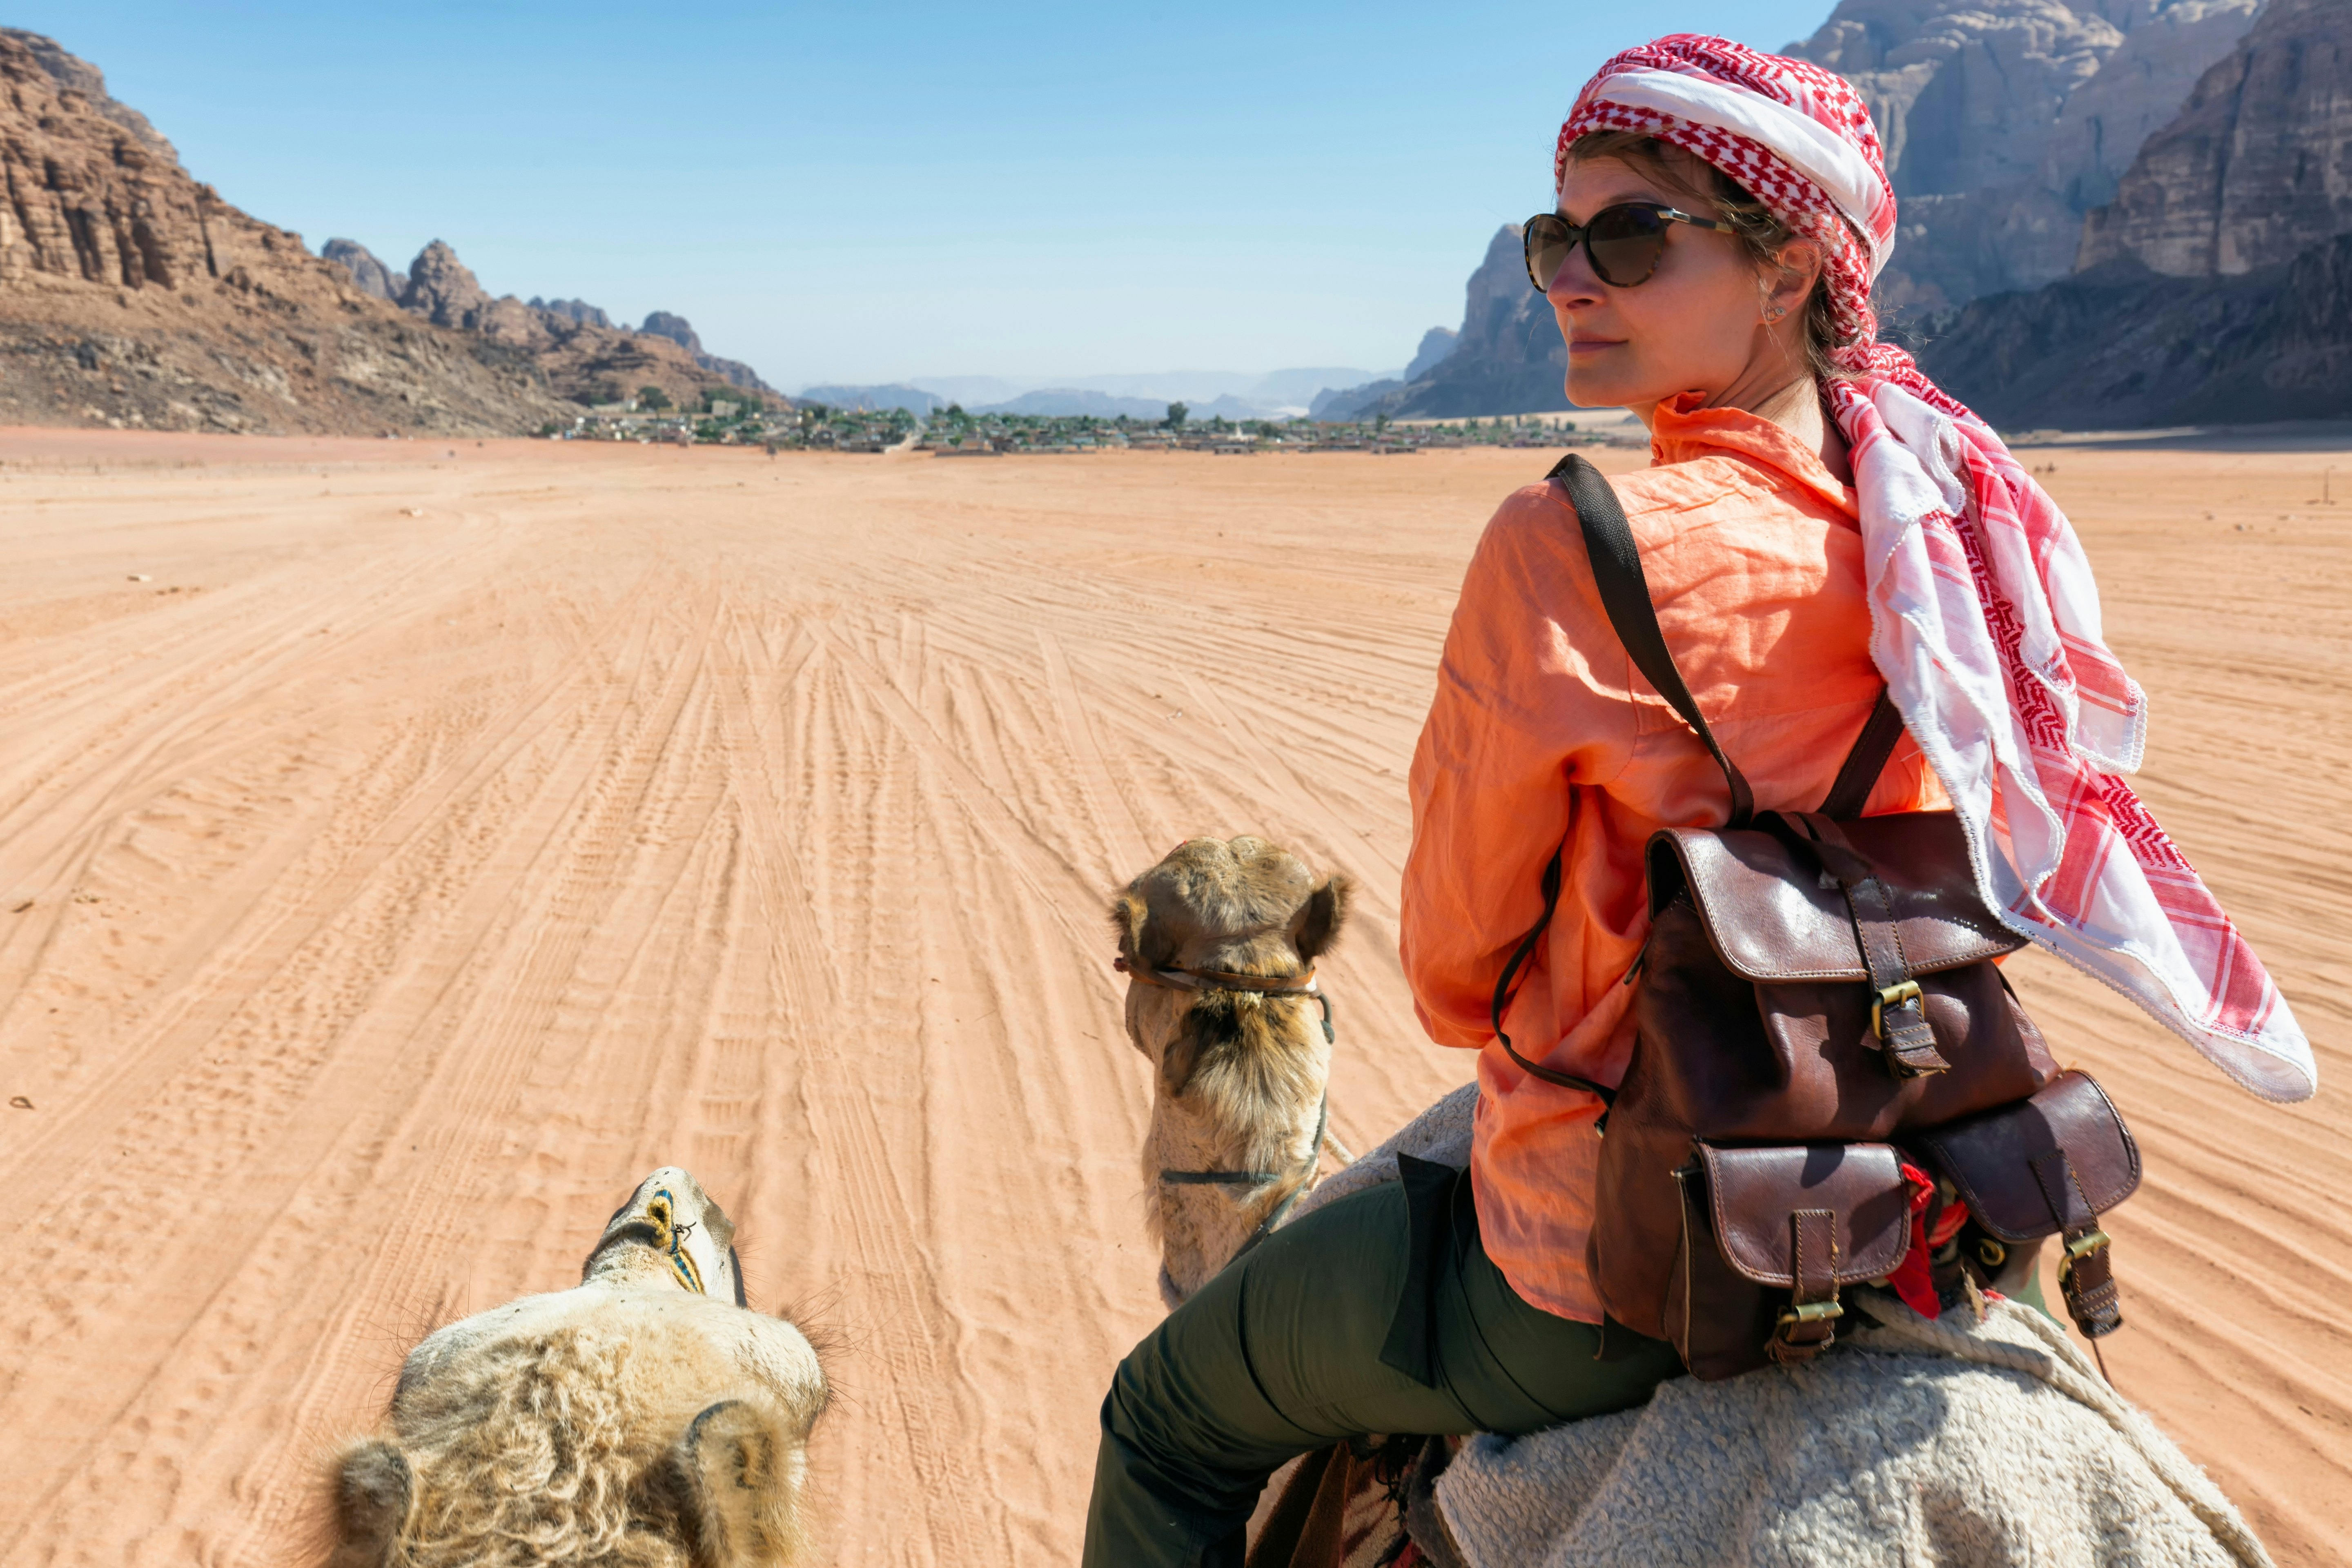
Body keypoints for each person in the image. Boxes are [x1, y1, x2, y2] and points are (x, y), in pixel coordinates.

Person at [1082, 36, 2312, 1568]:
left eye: (1629, 236)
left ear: (1790, 262)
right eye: (1554, 240)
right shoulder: (1946, 520)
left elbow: (1460, 978)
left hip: (1610, 1263)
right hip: (1916, 1184)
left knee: (1166, 1417)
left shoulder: (1567, 540)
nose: (1567, 282)